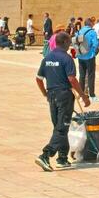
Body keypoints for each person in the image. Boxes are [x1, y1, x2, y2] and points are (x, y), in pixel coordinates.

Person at [35, 31, 88, 171]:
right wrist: (83, 95)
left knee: (59, 127)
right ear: (64, 43)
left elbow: (38, 79)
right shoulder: (67, 58)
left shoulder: (47, 58)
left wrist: (45, 94)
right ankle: (45, 155)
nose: (70, 45)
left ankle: (62, 158)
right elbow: (72, 79)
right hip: (64, 96)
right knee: (61, 127)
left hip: (52, 96)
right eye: (69, 43)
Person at [77, 20, 99, 98]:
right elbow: (95, 44)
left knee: (82, 75)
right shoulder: (92, 32)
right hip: (90, 56)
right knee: (91, 75)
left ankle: (81, 94)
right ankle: (92, 94)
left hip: (80, 56)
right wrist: (93, 51)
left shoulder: (79, 31)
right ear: (90, 24)